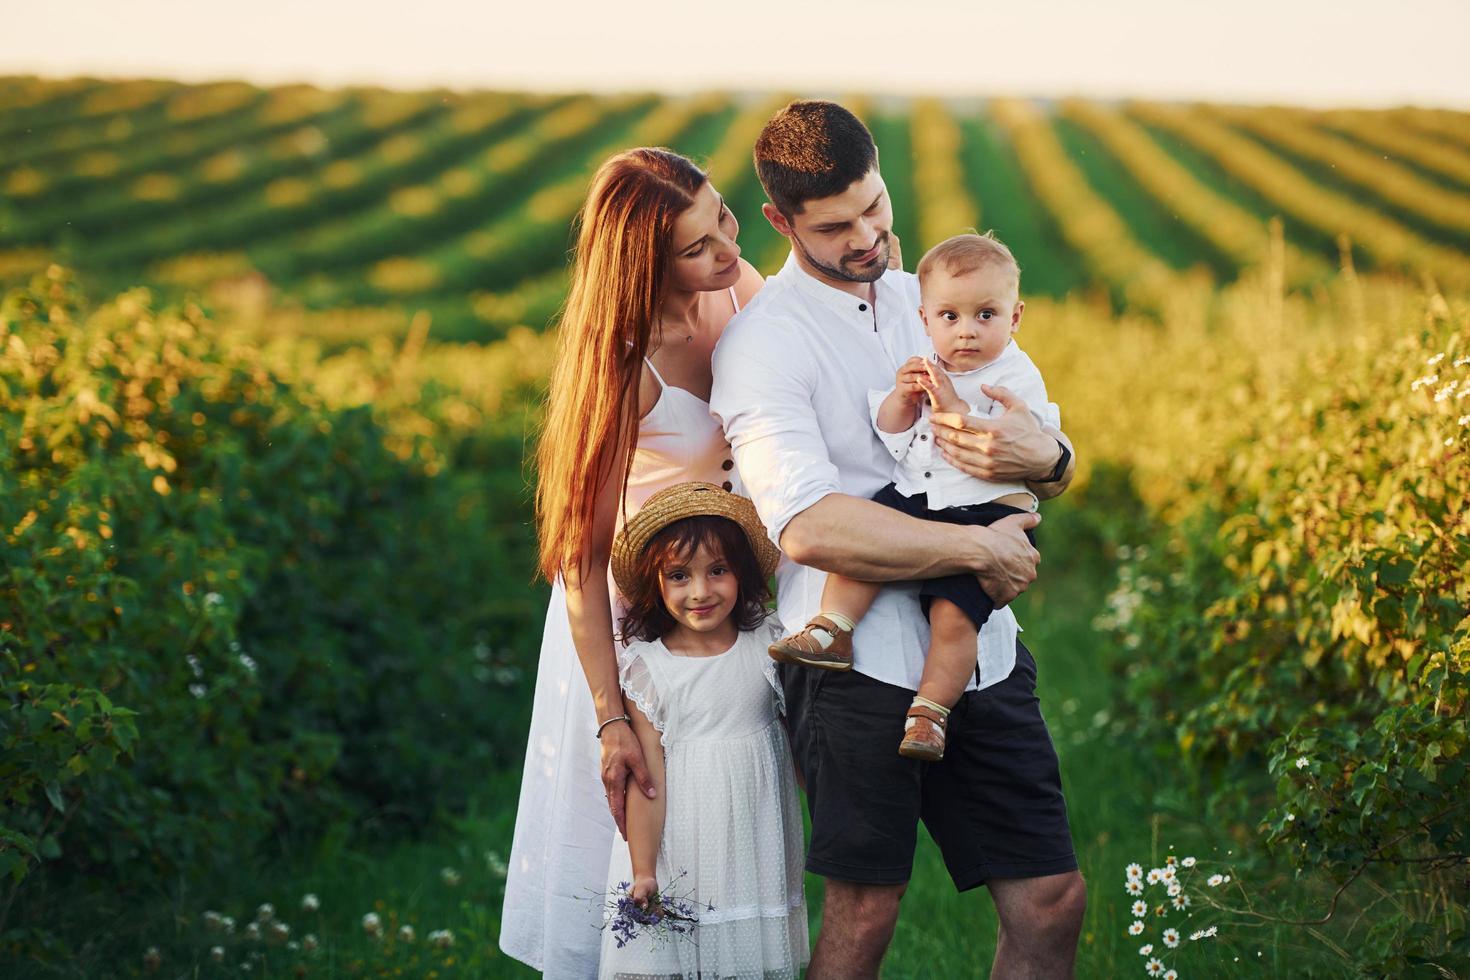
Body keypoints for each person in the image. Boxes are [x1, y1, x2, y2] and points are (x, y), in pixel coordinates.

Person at [709, 101, 1087, 979]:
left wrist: (1055, 456)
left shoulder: (945, 296)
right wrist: (976, 551)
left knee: (1052, 900)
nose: (867, 235)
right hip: (853, 665)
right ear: (780, 220)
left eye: (875, 207)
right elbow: (806, 524)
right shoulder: (763, 344)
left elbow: (1041, 447)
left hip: (981, 653)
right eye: (835, 226)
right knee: (867, 911)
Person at [500, 147, 765, 978]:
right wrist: (610, 712)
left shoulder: (735, 283)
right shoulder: (620, 361)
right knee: (634, 834)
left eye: (721, 215)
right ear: (643, 264)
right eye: (697, 246)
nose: (726, 246)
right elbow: (577, 560)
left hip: (719, 600)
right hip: (627, 623)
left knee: (717, 826)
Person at [768, 231, 1060, 763]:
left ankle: (931, 712)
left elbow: (999, 443)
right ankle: (832, 628)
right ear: (926, 319)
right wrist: (903, 399)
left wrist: (947, 403)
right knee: (869, 542)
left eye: (985, 316)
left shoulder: (1014, 374)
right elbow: (891, 432)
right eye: (950, 317)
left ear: (1015, 318)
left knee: (954, 616)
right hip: (922, 493)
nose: (967, 332)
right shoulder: (925, 362)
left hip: (985, 509)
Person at [596, 482, 806, 980]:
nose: (700, 591)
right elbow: (648, 781)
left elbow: (801, 742)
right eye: (678, 576)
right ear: (656, 583)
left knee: (747, 953)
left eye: (718, 570)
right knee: (681, 952)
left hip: (757, 831)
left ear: (742, 572)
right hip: (684, 838)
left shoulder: (770, 643)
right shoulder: (649, 668)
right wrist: (644, 869)